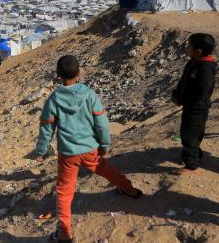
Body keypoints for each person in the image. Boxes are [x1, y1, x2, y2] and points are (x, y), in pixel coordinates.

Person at [35, 55, 142, 243]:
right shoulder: (90, 94)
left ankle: (64, 233)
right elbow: (101, 123)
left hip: (68, 154)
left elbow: (46, 128)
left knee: (64, 191)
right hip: (90, 149)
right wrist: (104, 144)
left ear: (58, 75)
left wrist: (42, 151)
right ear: (79, 72)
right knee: (106, 170)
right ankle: (129, 190)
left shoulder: (53, 100)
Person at [171, 33, 216, 175]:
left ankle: (191, 164)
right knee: (190, 133)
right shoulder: (194, 62)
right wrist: (178, 95)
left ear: (199, 51)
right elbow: (185, 82)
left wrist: (187, 101)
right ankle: (196, 153)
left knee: (189, 135)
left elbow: (202, 92)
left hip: (197, 109)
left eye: (189, 46)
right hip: (189, 105)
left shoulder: (205, 70)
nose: (187, 49)